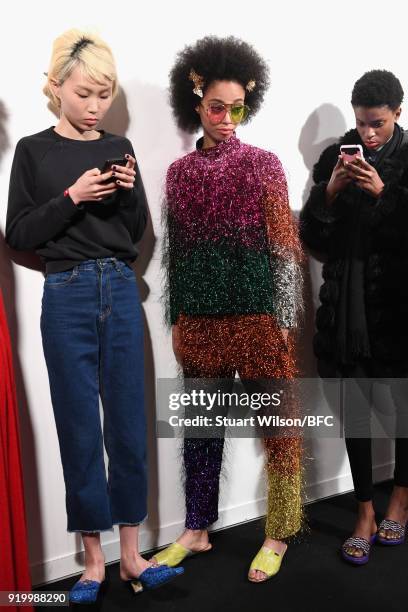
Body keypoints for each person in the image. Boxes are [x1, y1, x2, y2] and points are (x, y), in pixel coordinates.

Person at [5, 29, 182, 602]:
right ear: (56, 88)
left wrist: (128, 194)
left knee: (129, 423)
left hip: (120, 290)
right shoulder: (34, 151)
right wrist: (73, 197)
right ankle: (92, 560)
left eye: (104, 95)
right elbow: (19, 234)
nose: (95, 106)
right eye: (84, 93)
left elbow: (135, 234)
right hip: (67, 294)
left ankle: (133, 556)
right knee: (79, 426)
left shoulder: (119, 146)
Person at [155, 35, 304, 582]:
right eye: (217, 106)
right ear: (195, 103)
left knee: (278, 424)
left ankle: (280, 530)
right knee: (200, 427)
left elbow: (284, 246)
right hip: (201, 322)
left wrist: (285, 317)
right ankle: (197, 528)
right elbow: (178, 255)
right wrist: (177, 319)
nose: (226, 117)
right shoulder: (178, 174)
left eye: (237, 107)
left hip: (258, 318)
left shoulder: (264, 165)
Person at [300, 70, 408, 565]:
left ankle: (400, 501)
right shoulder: (336, 158)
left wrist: (384, 192)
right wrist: (329, 194)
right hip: (348, 312)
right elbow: (314, 239)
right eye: (362, 124)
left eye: (379, 125)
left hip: (396, 307)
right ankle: (364, 510)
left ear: (398, 114)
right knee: (355, 409)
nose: (368, 134)